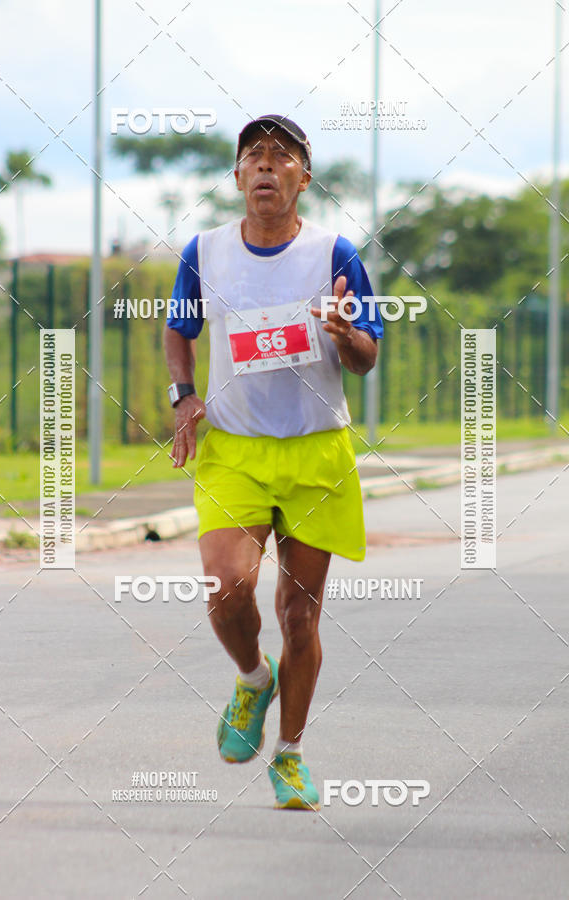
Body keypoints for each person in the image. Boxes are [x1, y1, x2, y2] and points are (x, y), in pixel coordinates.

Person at [165, 115, 383, 810]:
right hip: (234, 448)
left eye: (281, 156)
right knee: (228, 590)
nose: (265, 165)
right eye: (253, 156)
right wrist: (184, 397)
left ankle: (289, 755)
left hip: (316, 447)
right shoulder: (204, 251)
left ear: (303, 178)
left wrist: (348, 336)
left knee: (299, 616)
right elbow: (179, 327)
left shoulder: (336, 253)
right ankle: (252, 679)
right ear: (237, 178)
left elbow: (369, 355)